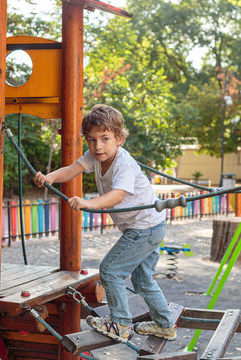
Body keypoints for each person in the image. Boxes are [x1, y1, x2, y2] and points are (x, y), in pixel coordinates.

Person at [33, 104, 176, 343]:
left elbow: (118, 195)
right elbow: (72, 169)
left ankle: (120, 323)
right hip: (149, 226)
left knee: (110, 270)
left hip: (144, 228)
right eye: (91, 140)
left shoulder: (124, 165)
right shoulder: (96, 156)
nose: (97, 146)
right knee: (142, 280)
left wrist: (90, 203)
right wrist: (50, 177)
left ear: (119, 138)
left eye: (105, 139)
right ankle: (165, 325)